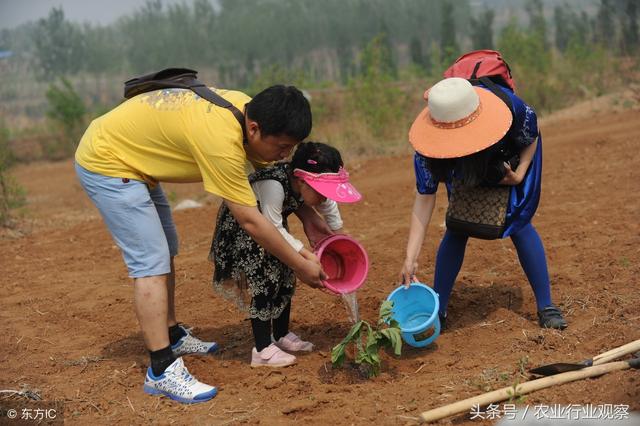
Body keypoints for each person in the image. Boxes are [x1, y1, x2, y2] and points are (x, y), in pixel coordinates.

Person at [74, 84, 329, 404]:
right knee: (150, 260)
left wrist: (307, 219)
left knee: (166, 247)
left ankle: (171, 334)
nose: (285, 156)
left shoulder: (248, 112)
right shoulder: (221, 141)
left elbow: (273, 181)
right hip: (108, 160)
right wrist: (300, 263)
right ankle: (161, 369)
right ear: (254, 129)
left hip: (133, 157)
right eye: (282, 147)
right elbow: (251, 221)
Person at [399, 77, 567, 331]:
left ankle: (546, 306)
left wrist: (519, 173)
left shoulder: (513, 109)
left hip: (503, 154)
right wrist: (410, 257)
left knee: (519, 221)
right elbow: (424, 198)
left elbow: (531, 134)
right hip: (463, 166)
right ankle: (439, 309)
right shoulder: (427, 152)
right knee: (458, 225)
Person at [210, 141, 362, 367]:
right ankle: (262, 349)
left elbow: (328, 208)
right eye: (321, 193)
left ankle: (280, 335)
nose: (323, 198)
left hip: (272, 228)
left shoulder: (305, 186)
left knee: (285, 277)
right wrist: (303, 255)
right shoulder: (274, 184)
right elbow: (271, 226)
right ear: (302, 180)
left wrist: (341, 240)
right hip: (246, 230)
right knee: (265, 282)